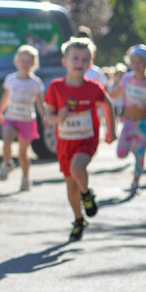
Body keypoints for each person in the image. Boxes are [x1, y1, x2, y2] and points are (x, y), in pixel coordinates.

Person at [44, 36, 115, 242]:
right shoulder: (56, 87)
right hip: (65, 142)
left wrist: (111, 130)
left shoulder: (93, 87)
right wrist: (58, 117)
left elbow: (108, 104)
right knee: (70, 185)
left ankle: (87, 194)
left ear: (90, 64)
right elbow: (48, 116)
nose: (80, 63)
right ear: (64, 61)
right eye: (75, 58)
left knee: (77, 169)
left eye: (85, 59)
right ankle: (78, 219)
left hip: (87, 140)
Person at [0, 44, 44, 193]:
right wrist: (0, 112)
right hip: (11, 117)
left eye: (29, 61)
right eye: (23, 60)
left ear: (34, 64)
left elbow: (40, 103)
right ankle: (7, 163)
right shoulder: (11, 79)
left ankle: (25, 178)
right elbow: (5, 97)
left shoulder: (35, 83)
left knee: (22, 154)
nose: (25, 64)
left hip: (27, 120)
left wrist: (45, 117)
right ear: (17, 61)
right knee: (6, 140)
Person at [109, 45, 146, 193]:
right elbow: (115, 93)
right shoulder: (127, 79)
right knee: (120, 153)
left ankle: (136, 182)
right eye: (134, 62)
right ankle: (132, 147)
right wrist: (102, 96)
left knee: (140, 155)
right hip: (128, 123)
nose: (136, 65)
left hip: (144, 124)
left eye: (140, 62)